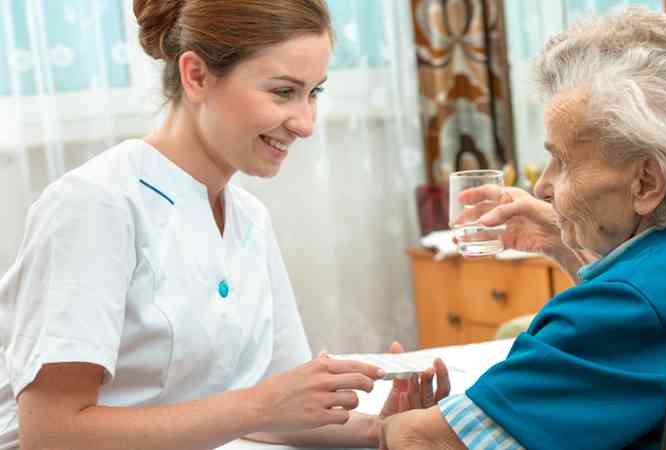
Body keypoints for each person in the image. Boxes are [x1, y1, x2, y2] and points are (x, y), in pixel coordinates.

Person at [0, 1, 449, 449]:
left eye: (314, 93)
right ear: (196, 76)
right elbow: (51, 433)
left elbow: (270, 407)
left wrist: (382, 428)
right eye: (283, 92)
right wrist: (262, 404)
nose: (306, 123)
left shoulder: (249, 218)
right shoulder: (96, 205)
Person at [378, 8, 666, 450]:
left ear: (646, 182)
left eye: (561, 160)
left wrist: (393, 425)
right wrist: (565, 245)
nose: (541, 186)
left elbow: (427, 441)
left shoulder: (621, 310)